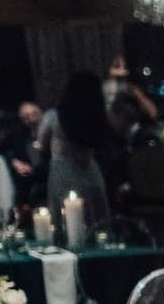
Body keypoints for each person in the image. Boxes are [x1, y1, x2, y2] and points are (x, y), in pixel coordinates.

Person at [42, 73, 115, 230]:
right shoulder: (97, 117)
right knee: (95, 218)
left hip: (63, 169)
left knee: (68, 221)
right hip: (90, 168)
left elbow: (42, 143)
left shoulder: (55, 116)